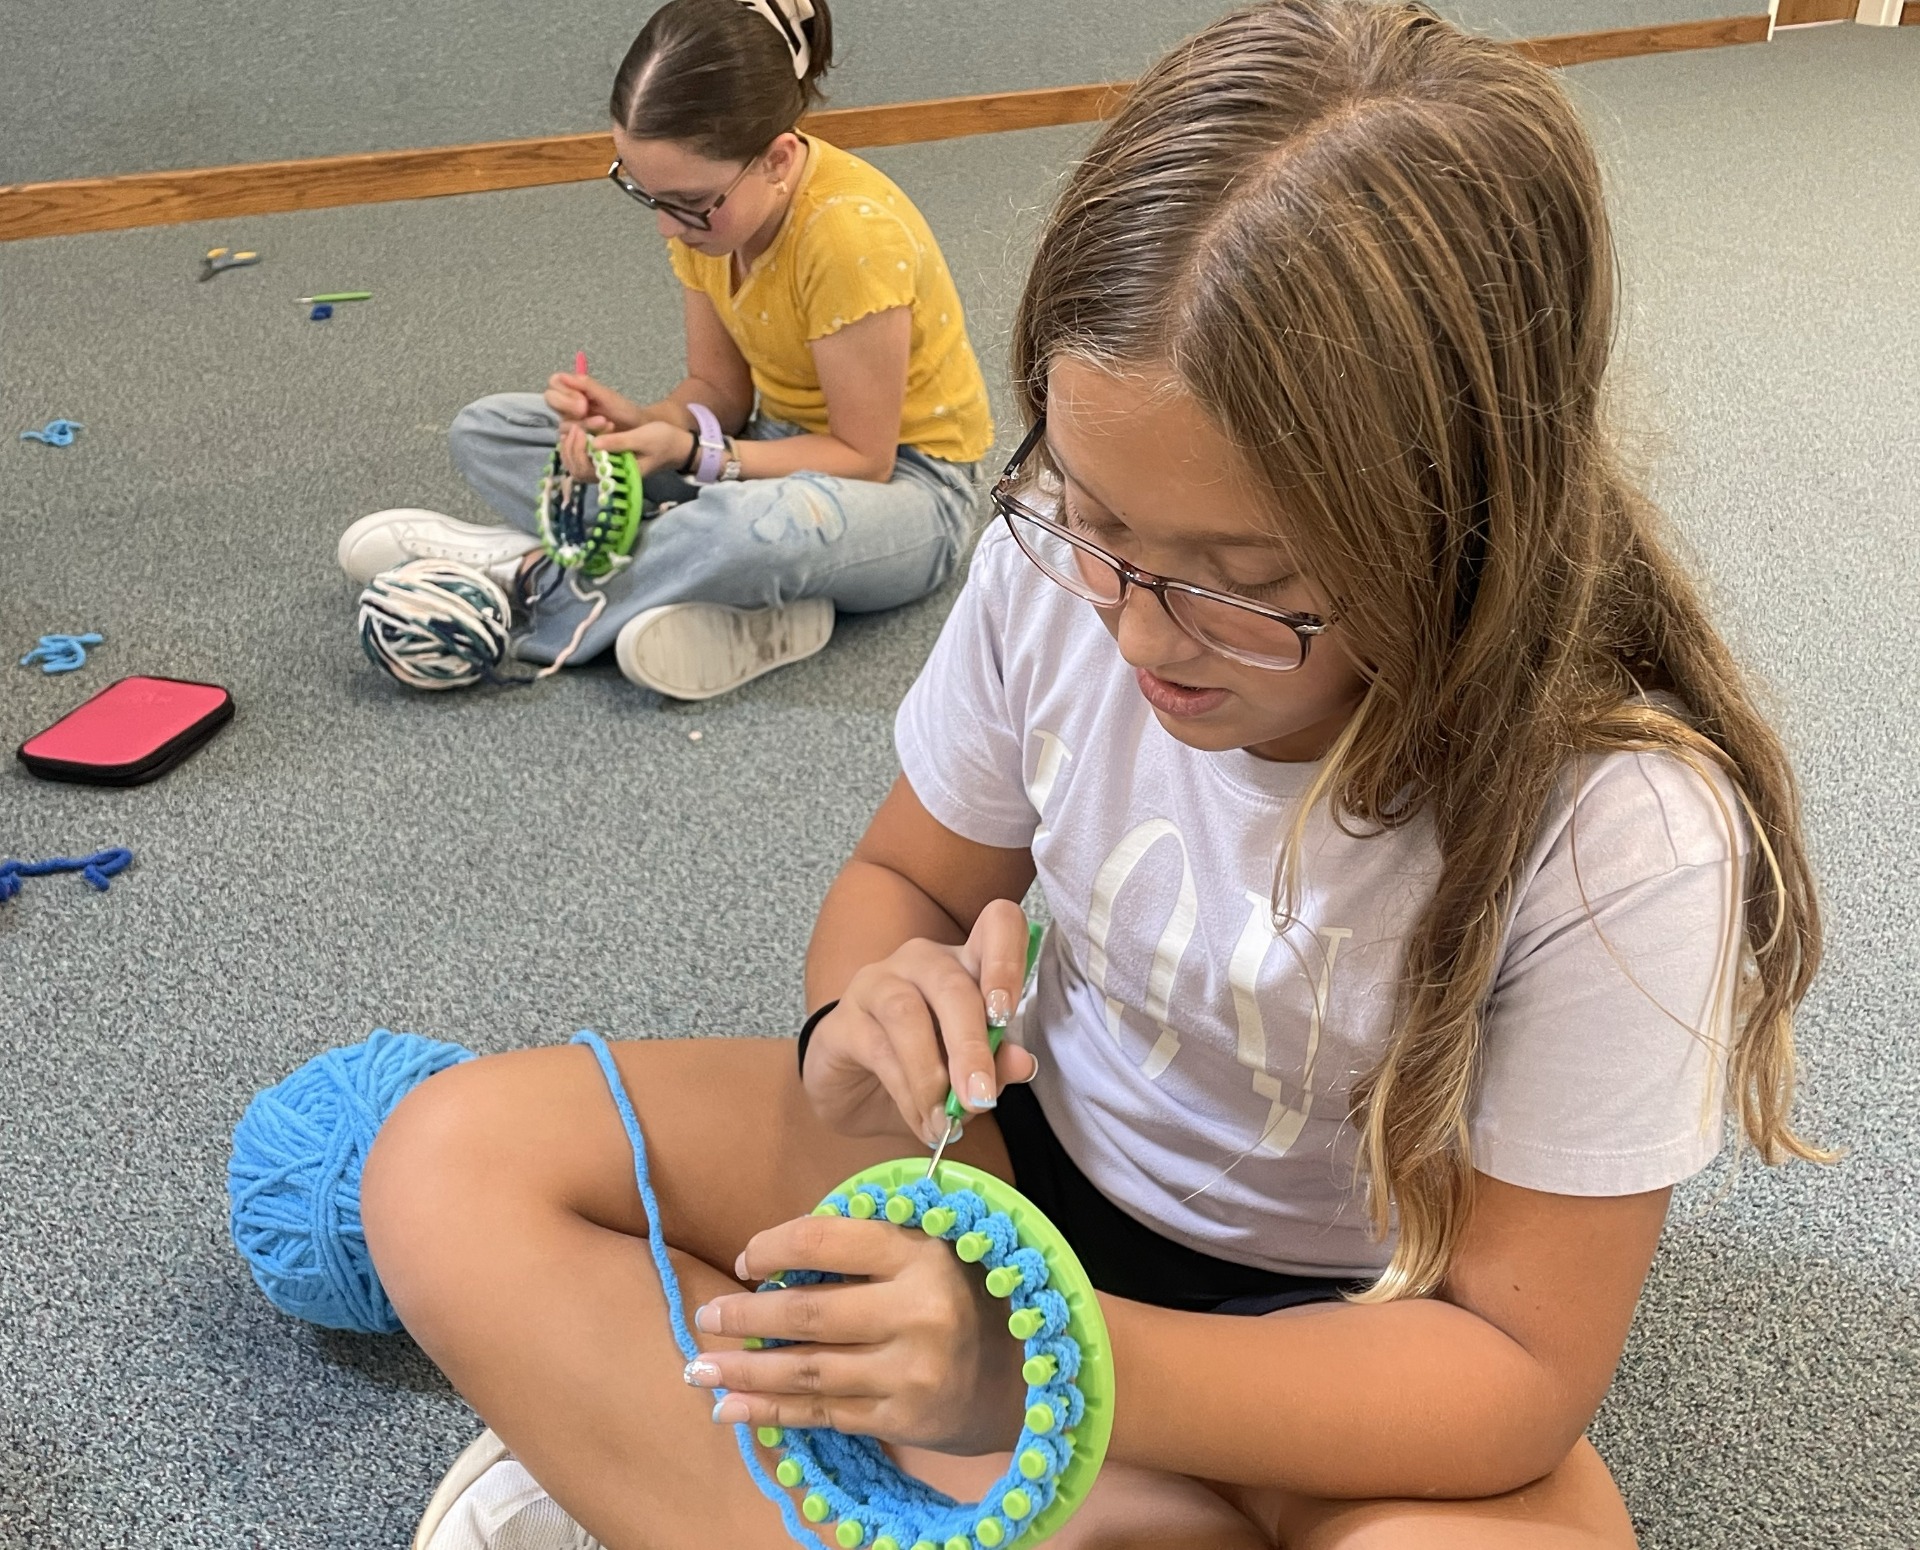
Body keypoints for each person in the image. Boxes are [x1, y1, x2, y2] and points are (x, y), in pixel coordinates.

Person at [360, 3, 1825, 1545]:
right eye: (1097, 518)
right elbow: (905, 880)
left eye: (1242, 578)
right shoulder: (1048, 570)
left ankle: (880, 1480)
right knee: (448, 1167)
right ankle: (1044, 1495)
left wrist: (1046, 1368)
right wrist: (867, 1012)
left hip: (1341, 1330)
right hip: (1012, 1181)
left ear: (1469, 523)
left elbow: (1516, 1370)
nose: (1133, 626)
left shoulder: (1619, 823)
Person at [338, 0, 992, 700]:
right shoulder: (710, 220)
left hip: (910, 494)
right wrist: (636, 422)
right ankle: (701, 587)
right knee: (490, 429)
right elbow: (719, 395)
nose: (666, 228)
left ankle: (526, 582)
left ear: (777, 159)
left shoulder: (849, 237)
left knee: (745, 531)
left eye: (687, 201)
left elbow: (864, 458)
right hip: (764, 452)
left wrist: (691, 456)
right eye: (644, 192)